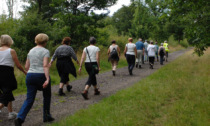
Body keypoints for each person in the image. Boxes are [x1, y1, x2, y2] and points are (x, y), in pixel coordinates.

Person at [15, 33, 54, 126]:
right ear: (45, 41)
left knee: (29, 99)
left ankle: (20, 118)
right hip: (41, 75)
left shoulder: (30, 51)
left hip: (30, 75)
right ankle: (46, 116)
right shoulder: (45, 51)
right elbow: (45, 65)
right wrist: (47, 79)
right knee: (47, 96)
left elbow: (26, 66)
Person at [0, 35, 26, 120]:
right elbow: (18, 65)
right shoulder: (11, 51)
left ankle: (11, 113)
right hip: (7, 73)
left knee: (7, 92)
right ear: (9, 41)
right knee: (8, 91)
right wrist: (25, 72)